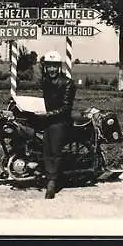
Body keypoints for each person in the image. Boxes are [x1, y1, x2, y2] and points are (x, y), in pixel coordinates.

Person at [35, 50, 76, 199]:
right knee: (42, 147)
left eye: (54, 66)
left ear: (59, 67)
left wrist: (48, 114)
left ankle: (52, 182)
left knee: (53, 150)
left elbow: (66, 108)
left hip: (60, 121)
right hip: (47, 119)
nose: (51, 69)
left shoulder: (68, 83)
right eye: (49, 66)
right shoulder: (46, 82)